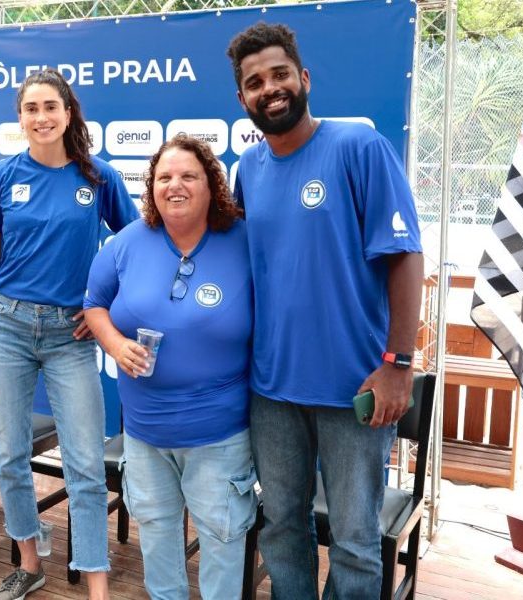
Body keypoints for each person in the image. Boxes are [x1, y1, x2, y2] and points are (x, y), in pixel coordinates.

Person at [226, 23, 423, 599]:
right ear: (243, 99)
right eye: (255, 82)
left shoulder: (358, 147)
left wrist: (398, 363)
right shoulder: (248, 169)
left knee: (356, 539)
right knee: (282, 525)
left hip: (353, 389)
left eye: (280, 74)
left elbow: (405, 258)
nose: (271, 88)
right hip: (271, 391)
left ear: (304, 78)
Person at [0, 68, 139, 600]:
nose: (40, 117)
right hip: (8, 329)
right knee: (12, 454)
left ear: (69, 113)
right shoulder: (0, 179)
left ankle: (96, 583)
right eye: (30, 108)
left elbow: (136, 249)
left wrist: (102, 312)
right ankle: (28, 560)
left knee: (85, 464)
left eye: (50, 107)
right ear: (19, 117)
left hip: (70, 335)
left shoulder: (98, 177)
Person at [84, 135, 257, 600]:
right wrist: (116, 345)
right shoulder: (127, 242)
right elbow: (94, 304)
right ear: (151, 186)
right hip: (145, 433)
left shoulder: (243, 240)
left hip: (218, 434)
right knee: (158, 537)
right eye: (164, 177)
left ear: (211, 184)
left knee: (222, 539)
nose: (174, 185)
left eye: (188, 176)